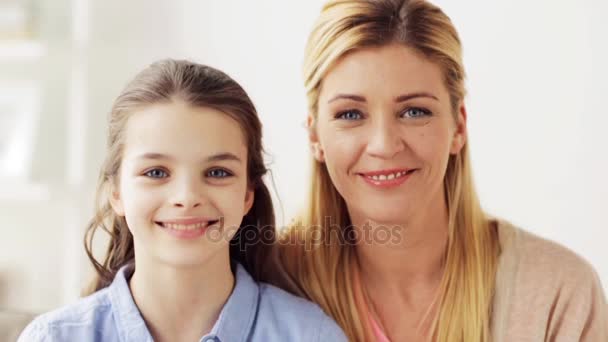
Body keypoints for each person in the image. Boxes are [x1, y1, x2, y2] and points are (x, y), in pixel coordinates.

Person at [260, 1, 608, 341]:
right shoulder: (266, 284)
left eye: (414, 111)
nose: (384, 145)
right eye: (350, 114)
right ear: (315, 135)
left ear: (458, 127)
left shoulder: (557, 293)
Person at [18, 59, 347, 342]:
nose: (187, 198)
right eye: (157, 172)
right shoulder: (54, 337)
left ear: (248, 194)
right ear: (116, 192)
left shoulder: (310, 334)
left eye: (217, 172)